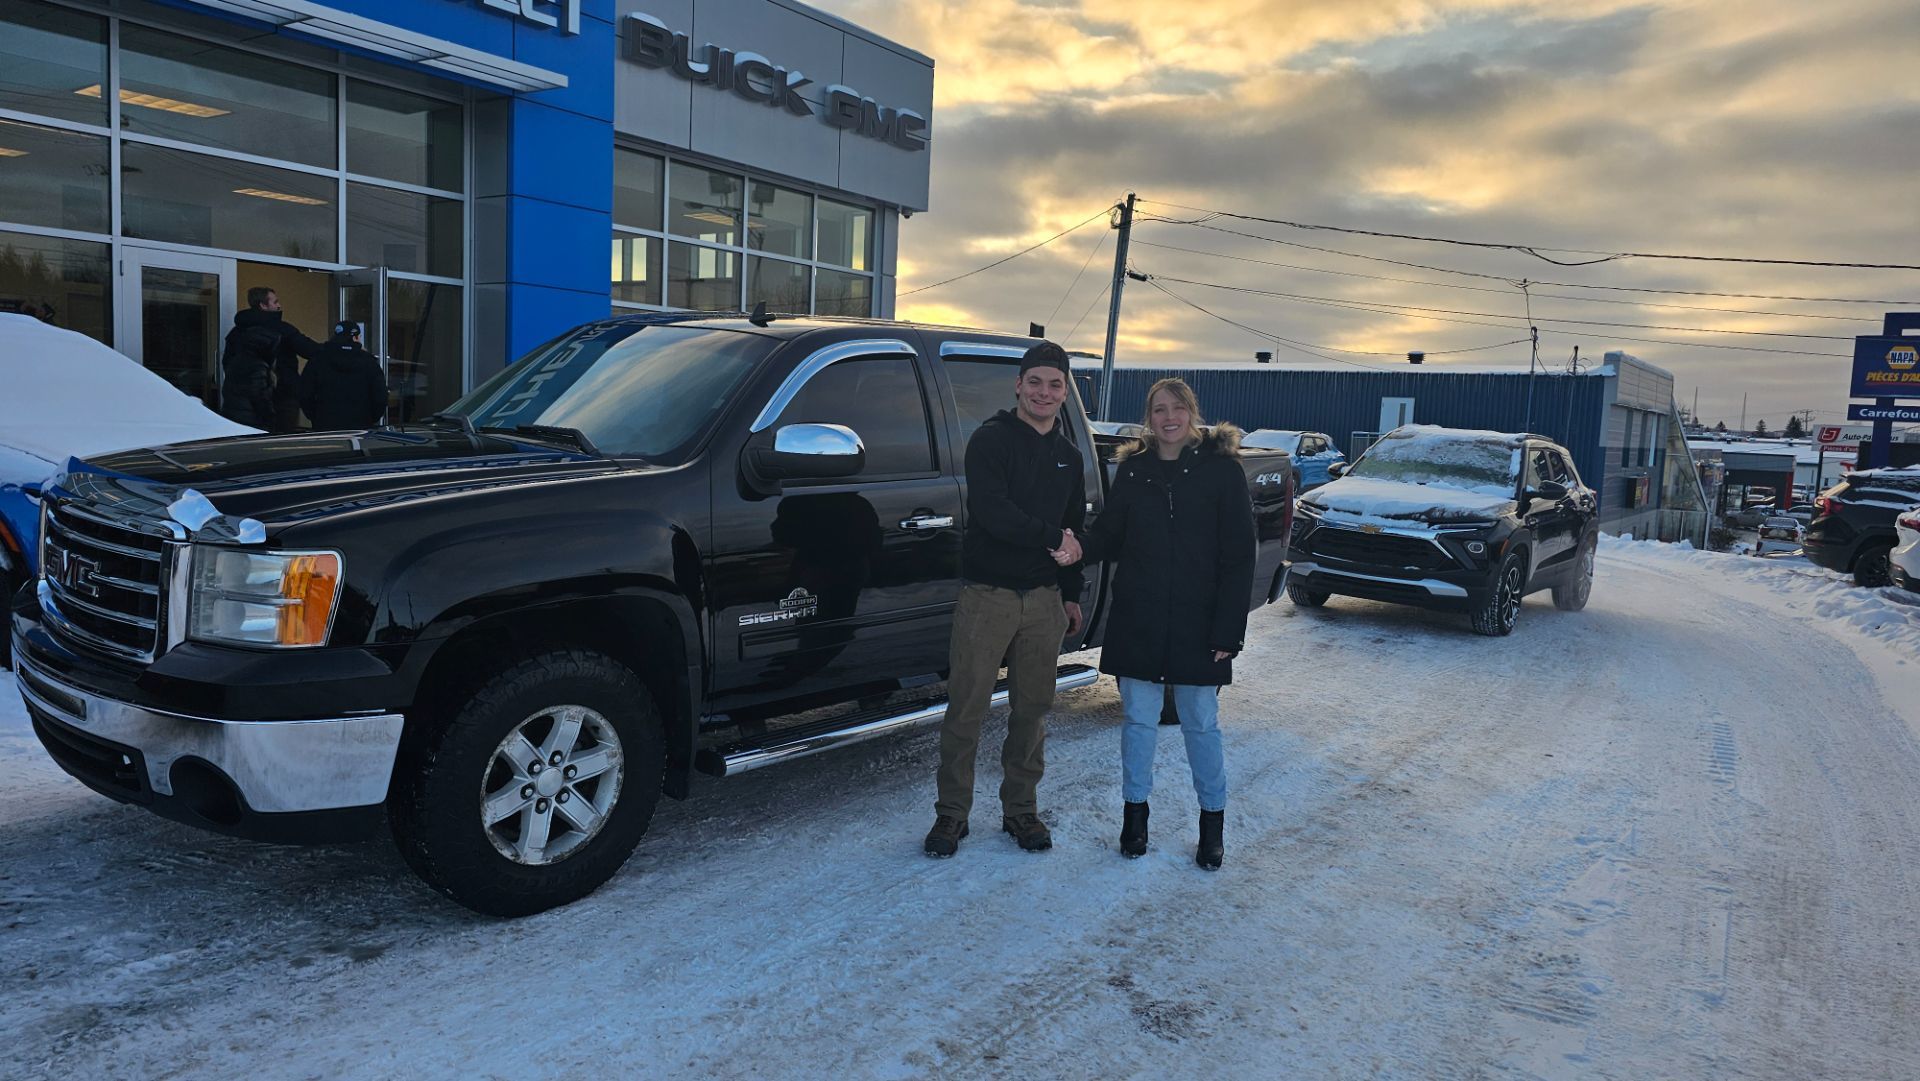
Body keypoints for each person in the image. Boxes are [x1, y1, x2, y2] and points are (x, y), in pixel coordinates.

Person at [1068, 378, 1255, 870]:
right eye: (1157, 410)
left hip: (1200, 624)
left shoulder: (1222, 472)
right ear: (1148, 419)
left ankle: (1212, 826)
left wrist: (1227, 631)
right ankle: (1135, 820)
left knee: (1200, 724)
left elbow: (1240, 556)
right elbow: (1110, 534)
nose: (1167, 417)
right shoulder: (1133, 472)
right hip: (1140, 618)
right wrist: (1079, 547)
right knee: (1138, 724)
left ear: (1192, 412)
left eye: (1176, 408)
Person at [925, 341, 1086, 858]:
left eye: (1055, 384)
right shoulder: (990, 441)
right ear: (1018, 384)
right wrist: (1052, 538)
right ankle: (951, 815)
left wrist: (1070, 594)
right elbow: (995, 513)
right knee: (966, 709)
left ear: (1065, 391)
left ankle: (1021, 811)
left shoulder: (1069, 456)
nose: (1044, 392)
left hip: (1043, 602)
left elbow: (1075, 530)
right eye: (1035, 382)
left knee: (1032, 711)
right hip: (987, 598)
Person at [220, 286, 319, 429]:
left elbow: (227, 363)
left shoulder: (236, 333)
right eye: (275, 302)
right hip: (282, 398)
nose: (279, 305)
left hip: (240, 402)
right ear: (263, 305)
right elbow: (310, 349)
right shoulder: (282, 329)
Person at [299, 320, 389, 430]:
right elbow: (380, 396)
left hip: (325, 426)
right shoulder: (369, 363)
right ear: (355, 338)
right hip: (361, 427)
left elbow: (305, 393)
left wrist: (316, 417)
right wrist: (370, 418)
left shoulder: (318, 360)